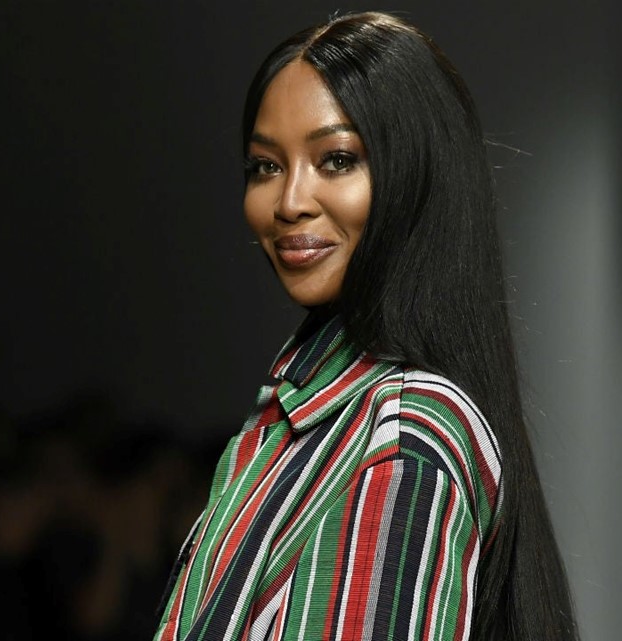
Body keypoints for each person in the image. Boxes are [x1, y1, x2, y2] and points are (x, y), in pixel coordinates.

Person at [154, 11, 578, 641]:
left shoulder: (400, 442)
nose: (290, 200)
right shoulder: (304, 417)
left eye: (336, 159)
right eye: (265, 166)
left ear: (415, 177)